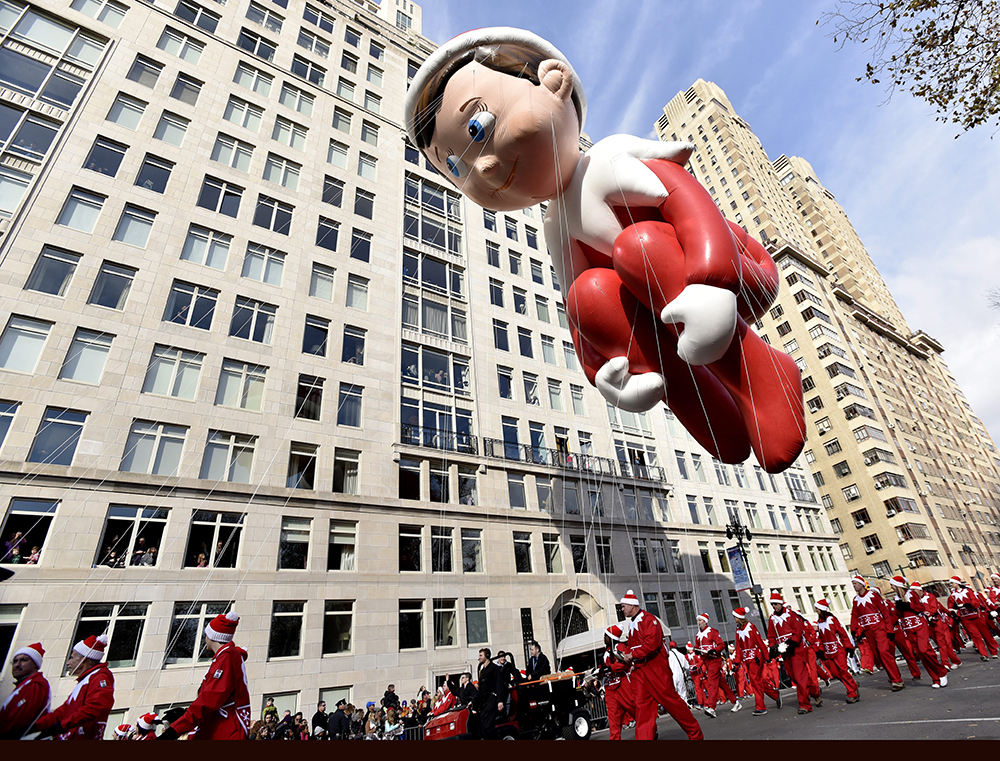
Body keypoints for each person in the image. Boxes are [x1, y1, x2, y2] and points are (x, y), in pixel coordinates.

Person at [619, 590, 704, 740]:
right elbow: (635, 647)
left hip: (656, 671)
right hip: (640, 671)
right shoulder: (632, 623)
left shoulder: (649, 620)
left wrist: (632, 654)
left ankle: (695, 734)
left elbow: (652, 644)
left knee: (672, 703)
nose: (622, 609)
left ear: (632, 605)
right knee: (642, 708)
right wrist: (625, 654)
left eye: (623, 606)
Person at [158, 611, 251, 740]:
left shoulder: (226, 657)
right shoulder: (227, 656)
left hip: (225, 730)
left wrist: (176, 729)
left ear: (212, 636)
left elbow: (211, 698)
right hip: (221, 727)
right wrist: (187, 714)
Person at [34, 634, 114, 740]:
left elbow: (96, 706)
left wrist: (62, 726)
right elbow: (63, 710)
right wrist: (36, 726)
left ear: (84, 659)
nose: (68, 663)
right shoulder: (85, 680)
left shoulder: (99, 677)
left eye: (71, 658)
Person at [766, 591, 821, 714]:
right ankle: (815, 692)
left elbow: (798, 630)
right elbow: (771, 635)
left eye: (776, 604)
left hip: (796, 651)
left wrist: (793, 643)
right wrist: (772, 646)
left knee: (800, 677)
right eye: (772, 604)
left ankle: (805, 705)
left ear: (781, 603)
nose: (774, 606)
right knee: (794, 677)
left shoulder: (791, 615)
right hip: (784, 652)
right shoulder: (772, 619)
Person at [889, 576, 949, 687]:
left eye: (892, 585)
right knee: (920, 654)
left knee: (924, 650)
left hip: (919, 624)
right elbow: (897, 615)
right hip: (908, 627)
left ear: (898, 585)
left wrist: (908, 605)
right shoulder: (896, 598)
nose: (891, 587)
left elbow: (920, 607)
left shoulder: (911, 594)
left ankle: (941, 671)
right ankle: (935, 679)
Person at [850, 575, 905, 690]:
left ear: (861, 584)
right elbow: (854, 615)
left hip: (879, 628)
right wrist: (854, 630)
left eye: (855, 583)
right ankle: (893, 676)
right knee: (879, 656)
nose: (854, 586)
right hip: (868, 631)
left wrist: (889, 629)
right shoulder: (855, 600)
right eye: (853, 584)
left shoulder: (873, 595)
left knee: (884, 652)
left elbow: (884, 612)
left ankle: (897, 681)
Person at [731, 608, 781, 716]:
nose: (734, 619)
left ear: (739, 618)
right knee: (758, 681)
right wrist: (736, 663)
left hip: (755, 658)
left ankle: (760, 706)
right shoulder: (738, 630)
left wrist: (766, 656)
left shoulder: (751, 627)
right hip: (747, 659)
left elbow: (759, 642)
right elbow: (739, 647)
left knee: (755, 681)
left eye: (735, 617)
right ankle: (775, 694)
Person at [814, 599, 860, 703]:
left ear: (821, 609)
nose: (816, 610)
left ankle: (852, 693)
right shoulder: (819, 622)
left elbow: (842, 633)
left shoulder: (832, 620)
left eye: (817, 608)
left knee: (843, 671)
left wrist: (848, 646)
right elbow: (821, 638)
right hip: (828, 651)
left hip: (838, 650)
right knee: (834, 673)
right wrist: (820, 650)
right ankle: (853, 684)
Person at [0, 642, 50, 739]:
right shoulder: (23, 686)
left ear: (35, 665)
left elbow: (18, 722)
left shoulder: (34, 685)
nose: (17, 665)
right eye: (15, 661)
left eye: (24, 660)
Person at [694, 612, 740, 717]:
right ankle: (735, 701)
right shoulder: (698, 635)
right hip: (706, 661)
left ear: (705, 621)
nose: (699, 622)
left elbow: (721, 644)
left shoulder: (712, 632)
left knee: (711, 682)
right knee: (721, 682)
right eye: (698, 620)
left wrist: (714, 650)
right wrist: (697, 651)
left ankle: (711, 706)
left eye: (701, 620)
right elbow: (697, 646)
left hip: (714, 660)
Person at [947, 575, 998, 660]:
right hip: (966, 619)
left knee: (986, 634)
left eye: (952, 583)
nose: (950, 585)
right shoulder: (952, 596)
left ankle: (993, 652)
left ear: (957, 583)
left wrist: (966, 605)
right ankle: (984, 654)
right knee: (976, 636)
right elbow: (950, 607)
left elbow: (975, 602)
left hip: (976, 616)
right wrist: (954, 610)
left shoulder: (968, 591)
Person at [602, 624, 636, 740]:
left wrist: (610, 668)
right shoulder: (606, 652)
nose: (604, 638)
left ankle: (651, 727)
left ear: (611, 637)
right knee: (613, 716)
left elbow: (623, 664)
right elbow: (606, 668)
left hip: (622, 684)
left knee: (633, 708)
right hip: (610, 688)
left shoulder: (621, 648)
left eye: (605, 636)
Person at [470, 648, 504, 739]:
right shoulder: (483, 670)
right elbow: (481, 689)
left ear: (487, 656)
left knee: (488, 726)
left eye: (481, 655)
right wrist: (474, 701)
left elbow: (499, 685)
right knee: (482, 727)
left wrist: (500, 701)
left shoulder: (494, 668)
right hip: (484, 702)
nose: (479, 658)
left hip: (491, 700)